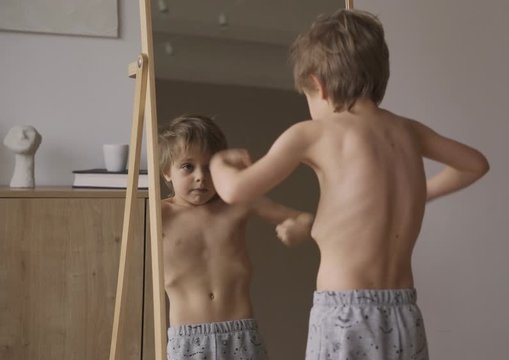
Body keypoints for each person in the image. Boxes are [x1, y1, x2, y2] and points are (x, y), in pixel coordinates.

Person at [209, 9, 490, 360]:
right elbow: (475, 164)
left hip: (345, 312)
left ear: (320, 85)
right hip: (403, 310)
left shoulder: (314, 133)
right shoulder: (409, 131)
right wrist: (420, 193)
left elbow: (236, 191)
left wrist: (219, 163)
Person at [159, 114, 314, 360]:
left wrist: (298, 228)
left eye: (210, 166)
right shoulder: (159, 214)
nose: (200, 176)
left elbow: (306, 219)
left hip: (240, 333)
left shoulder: (237, 203)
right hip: (187, 339)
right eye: (188, 166)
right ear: (167, 171)